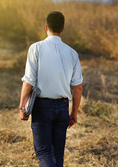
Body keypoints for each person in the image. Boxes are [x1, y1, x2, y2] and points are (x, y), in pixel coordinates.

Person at [19, 11, 83, 167]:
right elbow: (78, 88)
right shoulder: (72, 53)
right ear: (62, 29)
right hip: (62, 108)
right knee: (57, 156)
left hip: (42, 107)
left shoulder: (36, 48)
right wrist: (73, 112)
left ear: (46, 27)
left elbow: (29, 82)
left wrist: (22, 107)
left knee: (44, 154)